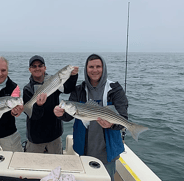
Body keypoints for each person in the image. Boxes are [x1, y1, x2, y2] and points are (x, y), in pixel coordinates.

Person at [54, 53, 128, 181]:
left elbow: (123, 118)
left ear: (103, 68)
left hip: (108, 151)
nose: (95, 70)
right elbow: (69, 116)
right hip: (84, 149)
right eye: (91, 67)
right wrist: (60, 114)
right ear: (86, 69)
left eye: (98, 66)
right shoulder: (79, 90)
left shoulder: (114, 89)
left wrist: (112, 124)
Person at [23, 55, 79, 154]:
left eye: (40, 65)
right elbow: (33, 116)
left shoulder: (54, 80)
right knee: (33, 166)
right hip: (35, 137)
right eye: (34, 66)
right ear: (30, 69)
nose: (37, 68)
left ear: (45, 68)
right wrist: (38, 106)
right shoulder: (27, 89)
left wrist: (73, 76)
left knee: (57, 165)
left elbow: (67, 89)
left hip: (54, 134)